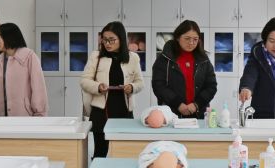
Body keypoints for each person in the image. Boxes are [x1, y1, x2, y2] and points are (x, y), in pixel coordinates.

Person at [81, 21, 144, 158]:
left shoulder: (133, 58)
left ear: (121, 39)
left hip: (124, 110)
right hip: (101, 111)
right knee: (100, 152)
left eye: (111, 40)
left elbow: (140, 82)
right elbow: (84, 81)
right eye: (104, 40)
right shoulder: (96, 56)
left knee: (124, 152)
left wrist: (132, 87)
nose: (107, 43)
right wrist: (98, 87)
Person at [151, 20, 217, 119]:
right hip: (171, 113)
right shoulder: (165, 58)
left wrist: (196, 105)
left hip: (198, 114)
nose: (191, 43)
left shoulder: (204, 60)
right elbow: (158, 85)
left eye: (195, 39)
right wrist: (177, 104)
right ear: (178, 37)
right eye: (187, 38)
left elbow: (211, 86)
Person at [0, 23, 48, 116]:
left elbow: (38, 88)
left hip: (25, 117)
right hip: (2, 117)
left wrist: (40, 114)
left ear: (9, 36)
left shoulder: (29, 57)